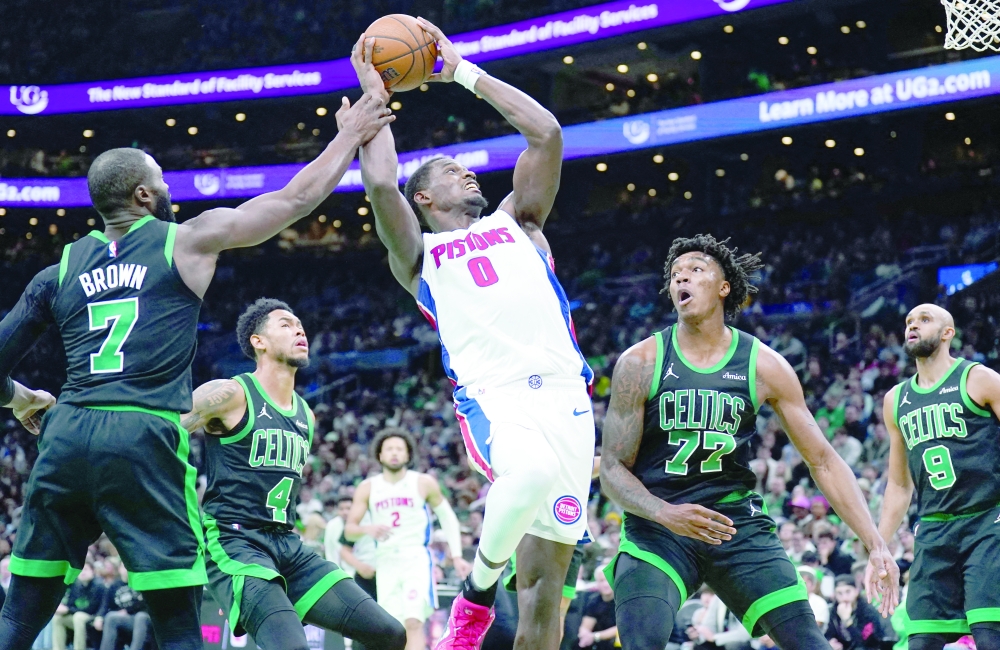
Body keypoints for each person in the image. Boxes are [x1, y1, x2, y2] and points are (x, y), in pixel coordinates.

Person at [0, 95, 393, 650]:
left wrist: (18, 398)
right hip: (143, 435)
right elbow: (296, 198)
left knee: (19, 619)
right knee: (180, 625)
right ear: (143, 194)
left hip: (65, 433)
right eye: (161, 178)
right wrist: (349, 135)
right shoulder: (186, 240)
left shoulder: (57, 270)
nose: (168, 187)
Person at [349, 19, 595, 650]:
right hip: (497, 397)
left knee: (545, 591)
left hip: (568, 398)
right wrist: (373, 92)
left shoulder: (522, 221)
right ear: (425, 197)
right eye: (454, 172)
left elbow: (546, 133)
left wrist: (461, 71)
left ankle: (489, 591)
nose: (470, 176)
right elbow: (380, 183)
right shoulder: (419, 254)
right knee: (532, 470)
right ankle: (477, 593)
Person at [599, 234, 899, 650]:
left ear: (724, 287)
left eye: (695, 269)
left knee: (809, 641)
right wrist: (665, 513)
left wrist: (876, 544)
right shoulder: (640, 361)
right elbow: (612, 469)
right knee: (640, 641)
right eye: (674, 274)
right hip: (658, 529)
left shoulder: (764, 364)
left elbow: (824, 462)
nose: (680, 277)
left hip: (736, 525)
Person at [181, 299, 406, 650]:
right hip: (236, 541)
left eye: (300, 324)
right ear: (259, 342)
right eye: (285, 324)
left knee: (389, 634)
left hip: (289, 545)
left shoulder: (307, 416)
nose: (299, 329)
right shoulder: (230, 394)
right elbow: (165, 429)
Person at [869, 304, 1000, 650]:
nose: (913, 325)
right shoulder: (895, 399)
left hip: (988, 522)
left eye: (924, 320)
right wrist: (879, 546)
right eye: (909, 321)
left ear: (947, 333)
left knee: (990, 635)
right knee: (922, 641)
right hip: (933, 531)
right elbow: (899, 484)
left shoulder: (979, 378)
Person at [345, 429, 470, 650]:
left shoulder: (423, 482)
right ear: (380, 455)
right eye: (389, 449)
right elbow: (349, 531)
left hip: (415, 558)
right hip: (385, 561)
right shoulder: (368, 487)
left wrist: (457, 555)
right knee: (392, 627)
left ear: (408, 455)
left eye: (399, 449)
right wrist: (367, 528)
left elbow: (448, 517)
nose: (394, 453)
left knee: (414, 621)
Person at [52, 562, 105, 650]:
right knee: (58, 618)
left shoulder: (98, 585)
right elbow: (70, 604)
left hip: (93, 617)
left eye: (86, 569)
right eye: (81, 570)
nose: (82, 572)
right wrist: (63, 607)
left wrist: (68, 610)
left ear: (93, 571)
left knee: (78, 616)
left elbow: (90, 609)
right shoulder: (76, 585)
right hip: (77, 616)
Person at [96, 565, 150, 650]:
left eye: (127, 566)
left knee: (140, 616)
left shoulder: (140, 583)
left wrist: (127, 610)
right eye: (123, 567)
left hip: (140, 617)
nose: (126, 569)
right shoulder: (114, 586)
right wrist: (99, 617)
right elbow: (105, 605)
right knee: (111, 616)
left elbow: (145, 603)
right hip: (125, 619)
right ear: (119, 569)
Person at [826, 575, 884, 650]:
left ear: (856, 591)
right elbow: (828, 634)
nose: (844, 598)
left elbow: (864, 641)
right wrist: (830, 641)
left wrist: (847, 621)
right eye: (839, 593)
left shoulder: (867, 611)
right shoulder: (834, 610)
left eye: (848, 592)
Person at [577, 566, 617, 650]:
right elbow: (586, 625)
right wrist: (584, 634)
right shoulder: (594, 601)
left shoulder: (622, 602)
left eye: (608, 580)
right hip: (596, 643)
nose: (605, 584)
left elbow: (620, 628)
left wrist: (595, 636)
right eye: (601, 580)